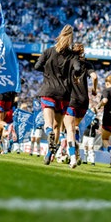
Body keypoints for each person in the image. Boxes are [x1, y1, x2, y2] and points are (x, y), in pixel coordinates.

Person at [34, 24, 79, 165]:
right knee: (57, 126)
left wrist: (48, 73)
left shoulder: (49, 51)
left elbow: (37, 66)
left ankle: (48, 134)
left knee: (49, 124)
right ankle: (49, 154)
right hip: (64, 94)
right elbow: (77, 68)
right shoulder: (73, 55)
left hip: (48, 91)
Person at [64, 42, 97, 168]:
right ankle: (76, 149)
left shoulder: (69, 63)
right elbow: (94, 77)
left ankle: (72, 157)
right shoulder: (87, 64)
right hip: (84, 102)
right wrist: (94, 90)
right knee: (75, 127)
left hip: (71, 100)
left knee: (69, 130)